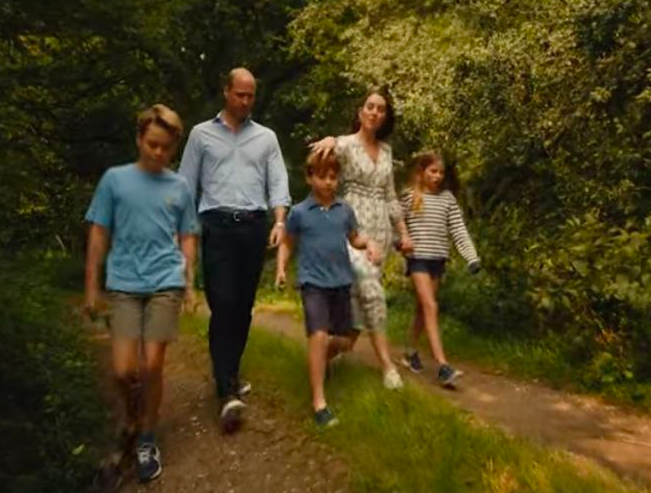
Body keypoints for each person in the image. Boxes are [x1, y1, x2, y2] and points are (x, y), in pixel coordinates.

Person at [84, 104, 199, 482]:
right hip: (124, 284)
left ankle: (147, 437)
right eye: (152, 144)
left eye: (165, 147)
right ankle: (133, 418)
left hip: (165, 282)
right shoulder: (114, 181)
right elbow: (98, 233)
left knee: (151, 365)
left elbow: (188, 236)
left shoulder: (179, 187)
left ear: (174, 148)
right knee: (123, 370)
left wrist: (189, 284)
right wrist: (91, 286)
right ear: (139, 139)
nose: (158, 153)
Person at [179, 67, 290, 432]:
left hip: (253, 227)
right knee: (223, 302)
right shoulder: (201, 135)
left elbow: (278, 182)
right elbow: (185, 185)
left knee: (242, 307)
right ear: (226, 92)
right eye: (239, 94)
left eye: (250, 96)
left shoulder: (266, 138)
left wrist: (279, 221)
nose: (245, 101)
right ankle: (227, 390)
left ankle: (229, 374)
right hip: (216, 226)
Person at [310, 86, 412, 389]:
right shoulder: (344, 145)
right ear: (360, 112)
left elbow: (390, 196)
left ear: (385, 117)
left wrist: (403, 234)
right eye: (370, 106)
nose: (375, 112)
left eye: (381, 109)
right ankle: (388, 367)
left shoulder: (387, 151)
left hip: (381, 234)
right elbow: (317, 167)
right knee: (370, 287)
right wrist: (331, 140)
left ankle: (322, 357)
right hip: (351, 230)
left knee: (352, 328)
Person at [275, 151, 380, 427]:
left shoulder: (344, 210)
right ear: (309, 178)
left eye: (333, 177)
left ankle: (320, 361)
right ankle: (319, 403)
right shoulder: (300, 213)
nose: (328, 182)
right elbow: (287, 243)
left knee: (345, 342)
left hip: (341, 282)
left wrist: (369, 244)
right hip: (313, 282)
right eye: (322, 176)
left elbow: (355, 238)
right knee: (318, 335)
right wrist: (281, 268)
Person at [399, 151, 480, 386]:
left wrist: (471, 257)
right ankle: (443, 365)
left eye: (441, 173)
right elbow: (396, 224)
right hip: (418, 259)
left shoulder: (447, 199)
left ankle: (409, 351)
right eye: (433, 171)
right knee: (430, 306)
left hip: (438, 260)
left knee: (422, 309)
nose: (437, 176)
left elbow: (458, 229)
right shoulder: (409, 196)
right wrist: (400, 243)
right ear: (421, 171)